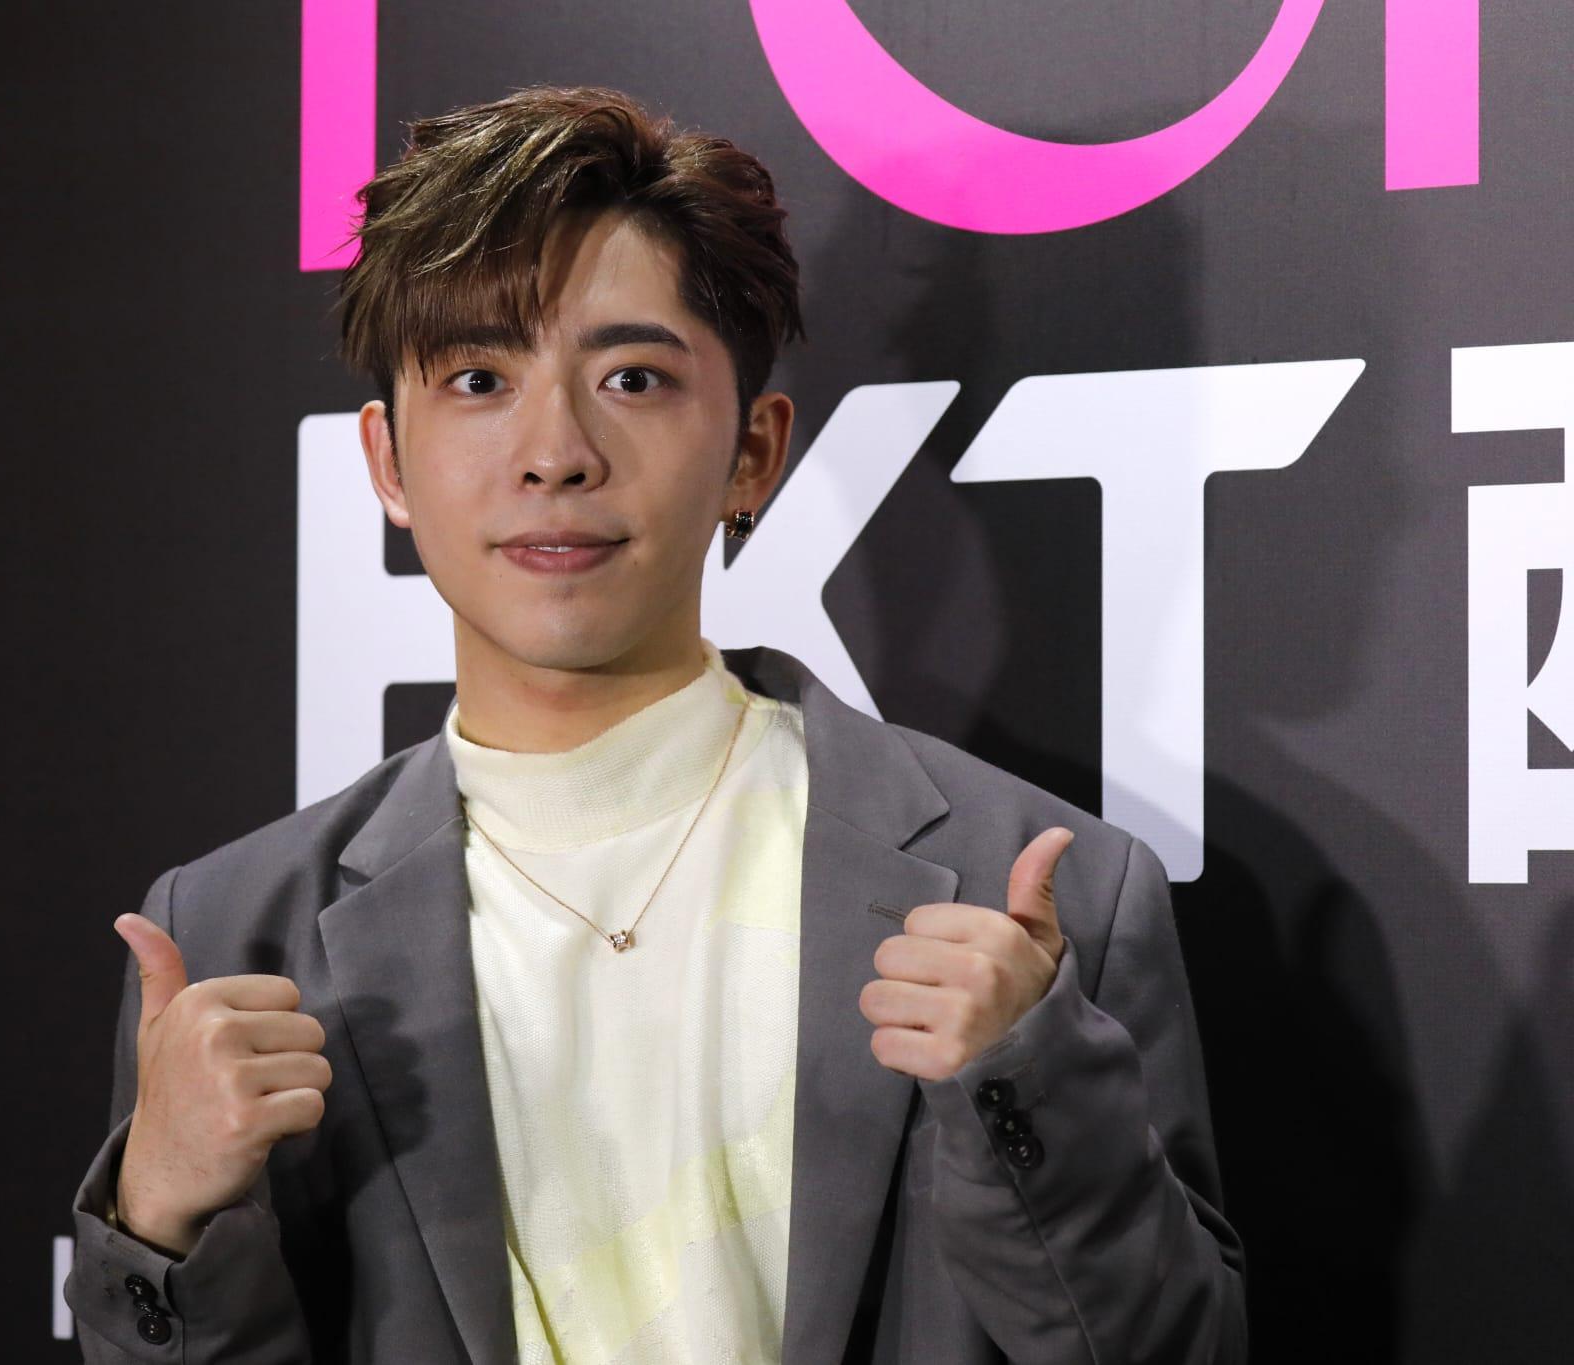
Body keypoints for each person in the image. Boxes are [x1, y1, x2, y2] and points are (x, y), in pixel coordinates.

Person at [64, 85, 1243, 1364]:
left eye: (631, 377)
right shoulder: (236, 931)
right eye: (477, 379)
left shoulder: (1039, 895)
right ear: (388, 463)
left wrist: (1028, 1091)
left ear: (752, 453)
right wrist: (159, 1214)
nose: (554, 452)